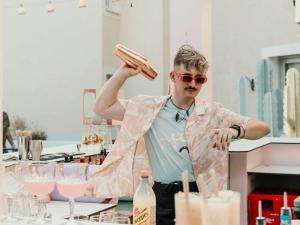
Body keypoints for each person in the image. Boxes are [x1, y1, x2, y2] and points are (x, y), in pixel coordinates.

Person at [92, 45, 270, 225]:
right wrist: (122, 74)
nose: (193, 84)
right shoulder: (148, 108)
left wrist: (235, 130)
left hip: (200, 194)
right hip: (160, 195)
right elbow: (102, 107)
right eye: (186, 77)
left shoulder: (212, 113)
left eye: (199, 79)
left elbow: (262, 128)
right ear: (173, 77)